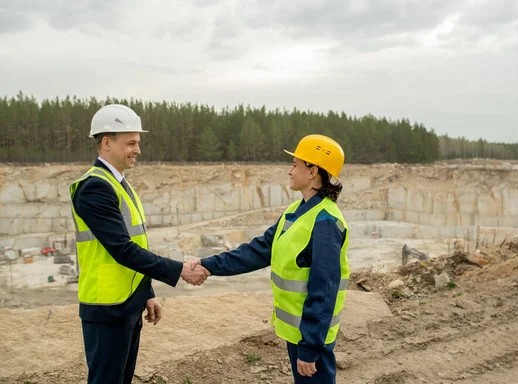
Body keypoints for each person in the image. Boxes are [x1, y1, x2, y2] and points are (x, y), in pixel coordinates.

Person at [70, 104, 209, 384]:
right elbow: (122, 249)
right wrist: (179, 269)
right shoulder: (95, 187)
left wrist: (146, 291)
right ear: (106, 142)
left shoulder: (120, 184)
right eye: (131, 143)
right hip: (107, 306)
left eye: (138, 142)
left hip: (126, 303)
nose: (138, 150)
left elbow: (136, 246)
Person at [198, 134, 350, 383]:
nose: (290, 171)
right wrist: (208, 265)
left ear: (312, 171)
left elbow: (324, 289)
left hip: (311, 337)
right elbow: (257, 251)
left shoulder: (326, 222)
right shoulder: (295, 211)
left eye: (295, 165)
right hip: (298, 332)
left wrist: (310, 347)